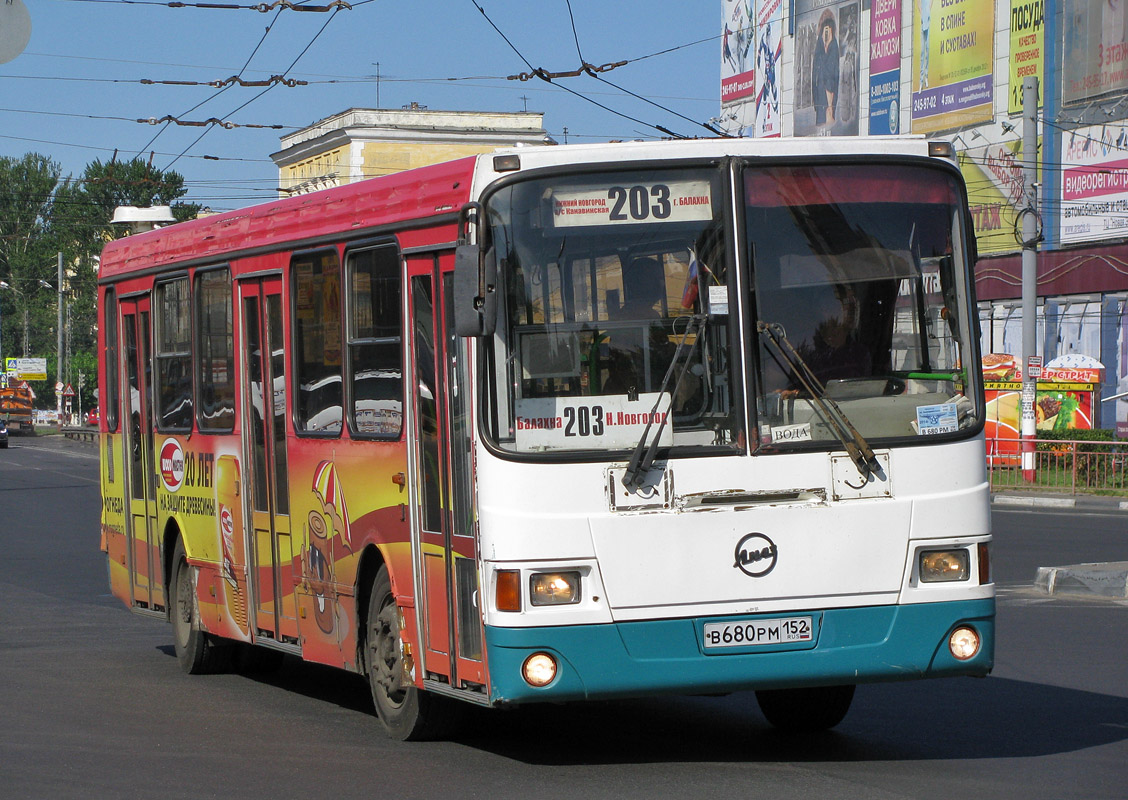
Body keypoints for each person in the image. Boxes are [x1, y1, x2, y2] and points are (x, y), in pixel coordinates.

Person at [811, 10, 840, 134]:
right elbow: (815, 73)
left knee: (828, 121)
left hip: (828, 93)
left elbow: (831, 74)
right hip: (819, 93)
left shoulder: (834, 47)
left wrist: (827, 46)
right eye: (825, 30)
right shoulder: (819, 47)